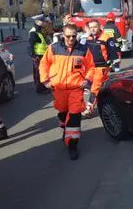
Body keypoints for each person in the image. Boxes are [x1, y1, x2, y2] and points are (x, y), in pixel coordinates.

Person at [39, 25, 95, 160]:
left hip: (76, 89)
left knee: (75, 116)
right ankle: (66, 130)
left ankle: (72, 144)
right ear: (63, 35)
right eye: (68, 36)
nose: (71, 39)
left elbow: (91, 67)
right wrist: (45, 80)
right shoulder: (53, 48)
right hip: (58, 89)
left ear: (77, 36)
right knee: (63, 114)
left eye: (74, 36)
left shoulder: (83, 49)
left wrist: (87, 80)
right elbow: (43, 64)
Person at [80, 20, 117, 117]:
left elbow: (113, 53)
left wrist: (112, 64)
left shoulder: (106, 38)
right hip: (90, 67)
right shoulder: (88, 38)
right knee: (85, 85)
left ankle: (89, 109)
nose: (92, 29)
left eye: (94, 27)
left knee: (95, 88)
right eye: (91, 27)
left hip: (101, 67)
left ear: (99, 26)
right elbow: (83, 52)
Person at [28, 17, 50, 93]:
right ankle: (40, 89)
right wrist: (33, 55)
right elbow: (30, 45)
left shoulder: (39, 30)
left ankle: (43, 87)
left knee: (43, 72)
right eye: (43, 21)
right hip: (38, 56)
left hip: (42, 55)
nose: (44, 22)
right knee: (38, 73)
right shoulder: (34, 32)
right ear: (37, 22)